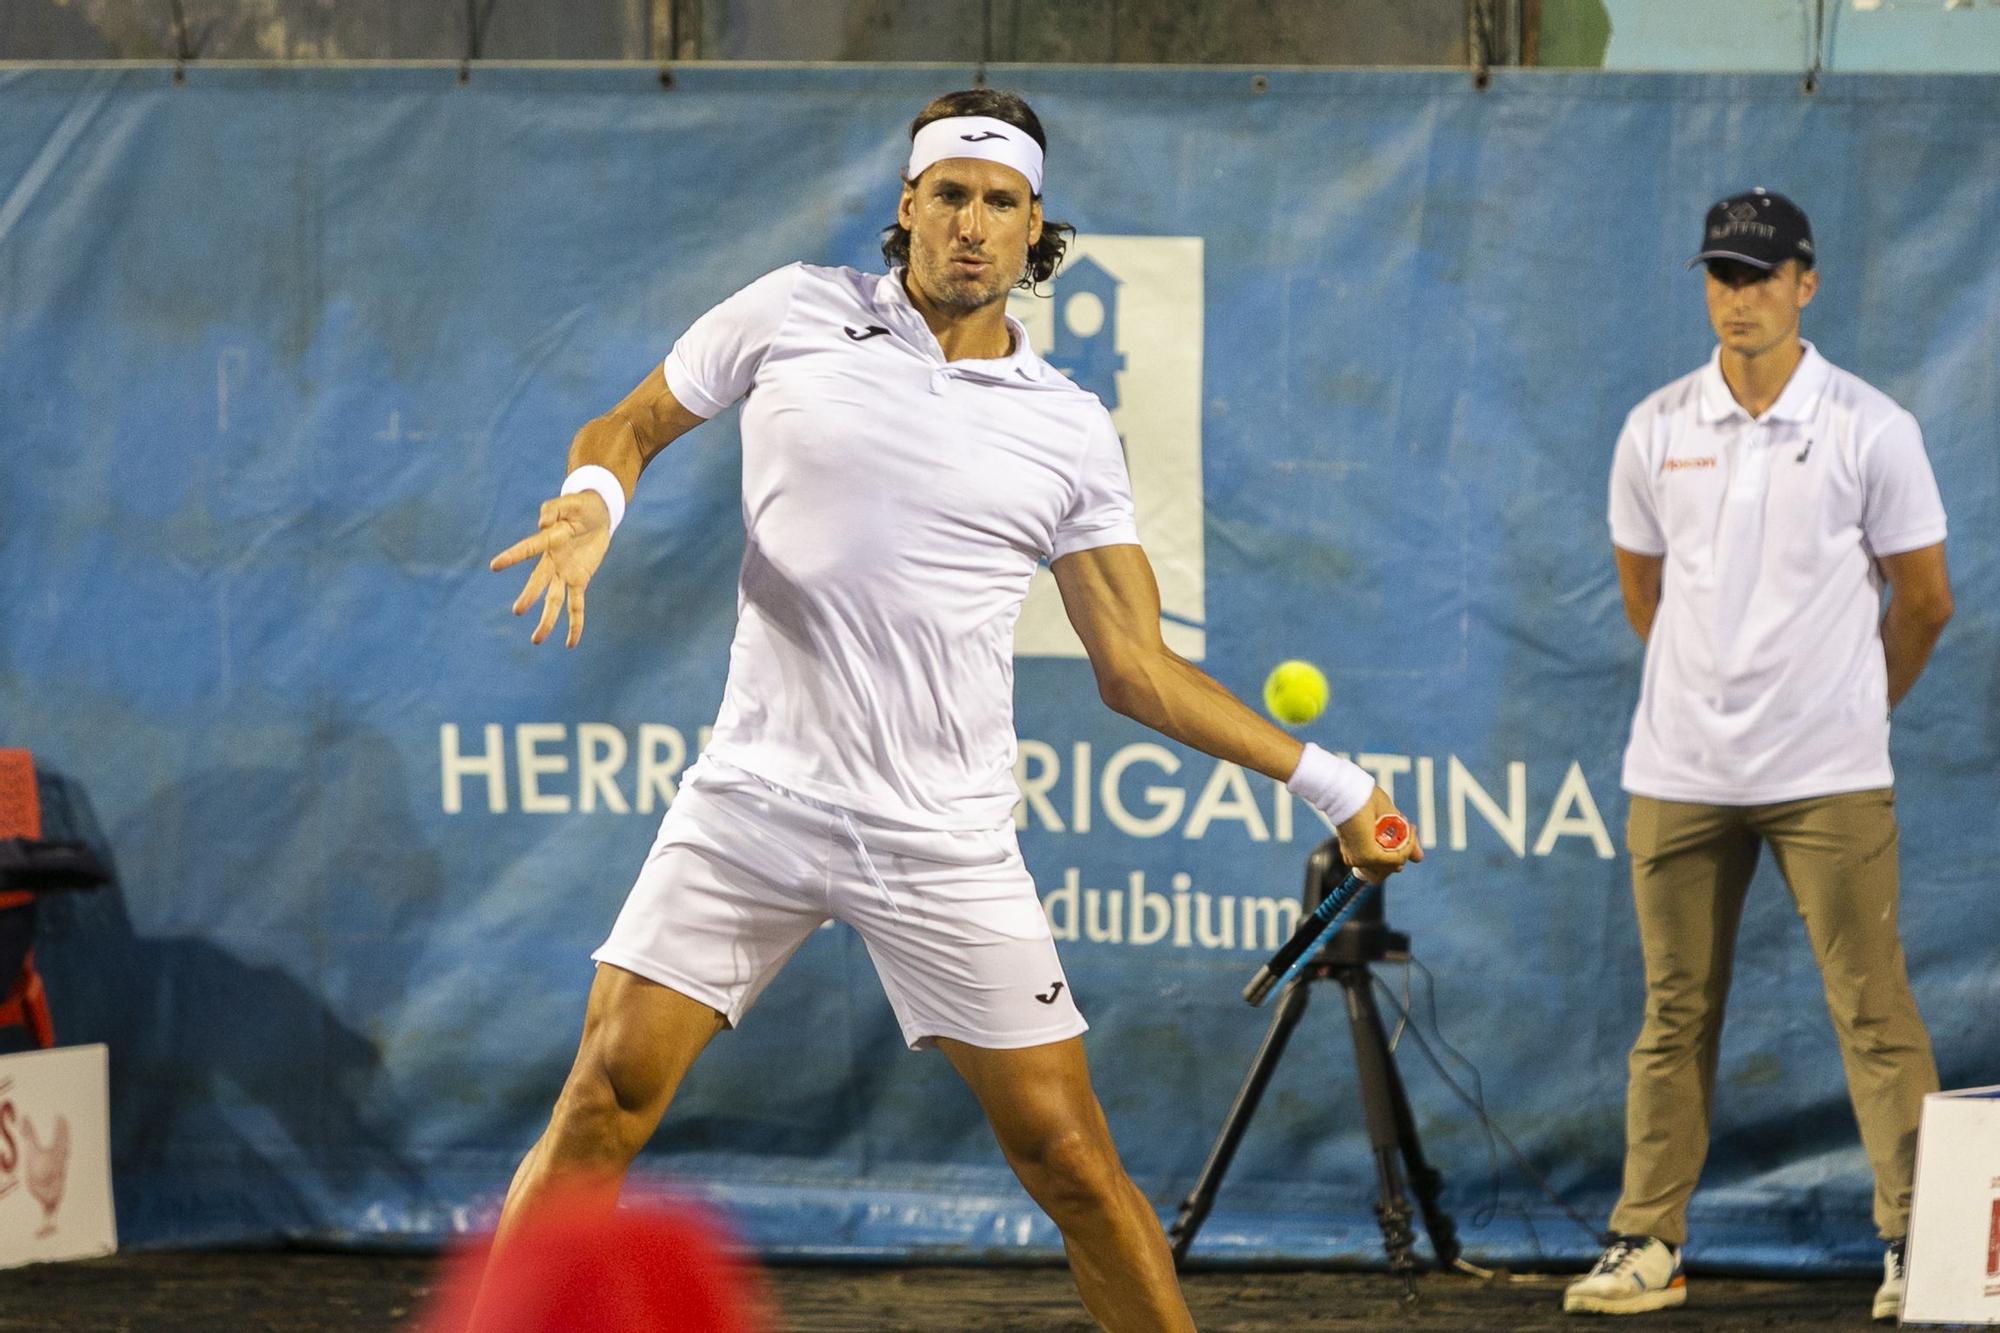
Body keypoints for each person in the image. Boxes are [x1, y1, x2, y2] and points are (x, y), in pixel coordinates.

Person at [487, 88, 1420, 1333]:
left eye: (999, 203)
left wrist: (1338, 786)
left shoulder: (1069, 429)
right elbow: (635, 421)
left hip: (942, 836)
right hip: (752, 802)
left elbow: (1134, 667)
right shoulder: (792, 311)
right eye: (948, 197)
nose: (970, 225)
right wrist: (593, 501)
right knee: (601, 1097)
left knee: (1070, 1163)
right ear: (906, 209)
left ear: (1036, 230)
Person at [1564, 189, 1952, 1322]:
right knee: (1671, 1016)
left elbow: (1921, 602)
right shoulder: (1653, 428)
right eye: (1719, 276)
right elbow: (1647, 591)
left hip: (1828, 775)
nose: (1737, 297)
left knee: (1871, 1011)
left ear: (1804, 282)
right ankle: (1646, 1243)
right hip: (1676, 773)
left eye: (1758, 275)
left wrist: (1843, 710)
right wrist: (1709, 693)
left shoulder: (1870, 427)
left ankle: (1915, 1245)